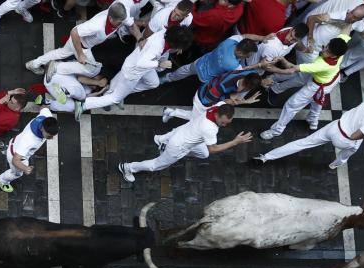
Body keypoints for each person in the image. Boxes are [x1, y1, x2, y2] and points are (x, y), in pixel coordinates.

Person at [256, 91, 364, 168]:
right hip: (344, 139)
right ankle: (337, 163)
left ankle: (265, 157)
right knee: (352, 148)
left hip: (334, 126)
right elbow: (356, 135)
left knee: (302, 143)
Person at [118, 104, 252, 183]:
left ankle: (164, 141)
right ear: (217, 115)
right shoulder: (210, 128)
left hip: (187, 135)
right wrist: (235, 142)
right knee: (156, 165)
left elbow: (228, 102)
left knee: (204, 154)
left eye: (227, 123)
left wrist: (244, 101)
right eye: (222, 122)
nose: (224, 125)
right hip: (178, 146)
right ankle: (128, 167)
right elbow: (213, 149)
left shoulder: (217, 107)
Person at [80, 26, 195, 117]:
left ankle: (118, 91)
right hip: (134, 71)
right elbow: (141, 63)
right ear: (175, 44)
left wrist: (176, 48)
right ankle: (84, 105)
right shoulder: (157, 48)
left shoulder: (165, 34)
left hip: (139, 65)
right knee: (115, 98)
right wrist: (160, 64)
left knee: (153, 83)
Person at [260, 34, 349, 139]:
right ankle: (313, 119)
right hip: (332, 79)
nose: (324, 50)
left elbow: (292, 69)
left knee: (291, 105)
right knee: (317, 100)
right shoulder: (340, 46)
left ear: (335, 56)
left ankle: (276, 130)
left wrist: (282, 59)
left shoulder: (321, 65)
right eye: (327, 46)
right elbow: (346, 33)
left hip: (316, 86)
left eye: (328, 52)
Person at [25, 3, 132, 73]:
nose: (123, 23)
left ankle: (34, 64)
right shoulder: (97, 26)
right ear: (111, 18)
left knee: (62, 53)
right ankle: (57, 67)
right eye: (120, 21)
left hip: (86, 41)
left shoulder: (119, 11)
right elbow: (74, 32)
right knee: (92, 70)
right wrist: (80, 54)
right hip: (81, 44)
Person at [0, 108, 58, 193]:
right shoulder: (29, 140)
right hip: (15, 156)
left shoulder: (46, 116)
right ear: (42, 128)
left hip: (15, 143)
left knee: (15, 149)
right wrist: (25, 169)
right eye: (49, 136)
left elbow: (44, 108)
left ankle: (5, 149)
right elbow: (15, 161)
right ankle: (1, 180)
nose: (52, 138)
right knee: (17, 174)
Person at [161, 36, 267, 84]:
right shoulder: (234, 65)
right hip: (206, 78)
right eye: (247, 55)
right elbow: (244, 71)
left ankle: (167, 78)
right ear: (240, 53)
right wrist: (259, 65)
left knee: (185, 70)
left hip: (199, 63)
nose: (248, 58)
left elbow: (244, 36)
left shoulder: (230, 40)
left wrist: (262, 38)